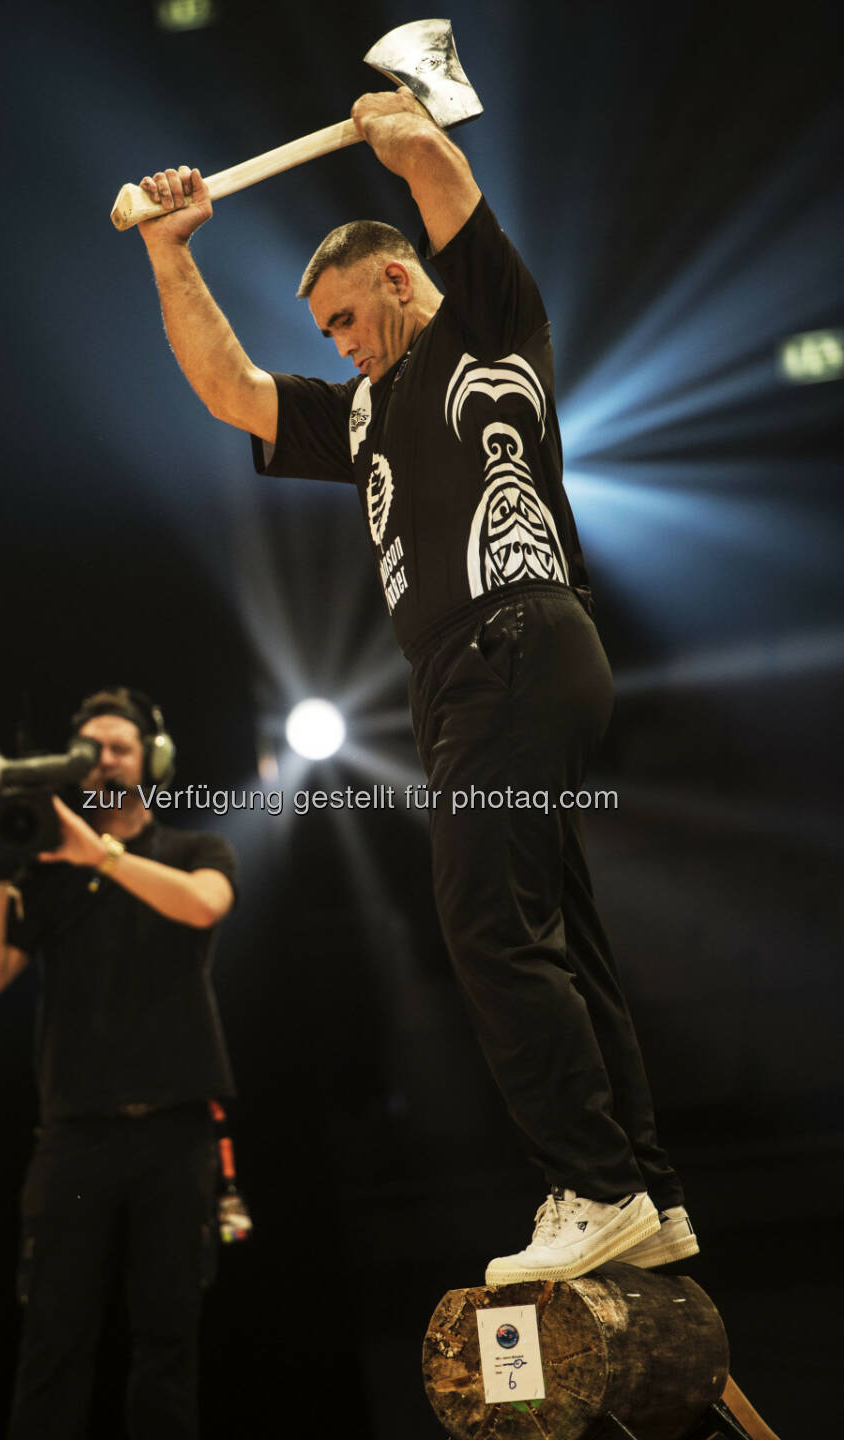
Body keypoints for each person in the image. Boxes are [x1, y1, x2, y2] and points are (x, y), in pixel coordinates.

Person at [131, 89, 698, 1284]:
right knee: (555, 937)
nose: (336, 344)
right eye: (324, 331)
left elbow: (442, 187)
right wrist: (167, 252)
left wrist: (399, 121)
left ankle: (588, 1186)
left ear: (395, 280)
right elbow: (231, 387)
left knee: (485, 923)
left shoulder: (483, 327)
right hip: (483, 677)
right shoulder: (361, 416)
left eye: (344, 317)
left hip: (510, 647)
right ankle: (641, 1188)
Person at [0, 688, 238, 1439]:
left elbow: (204, 906)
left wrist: (100, 854)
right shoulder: (45, 876)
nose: (105, 759)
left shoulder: (192, 850)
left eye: (120, 746)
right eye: (90, 749)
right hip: (74, 1137)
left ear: (153, 761)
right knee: (52, 1337)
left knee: (167, 1340)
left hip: (175, 1133)